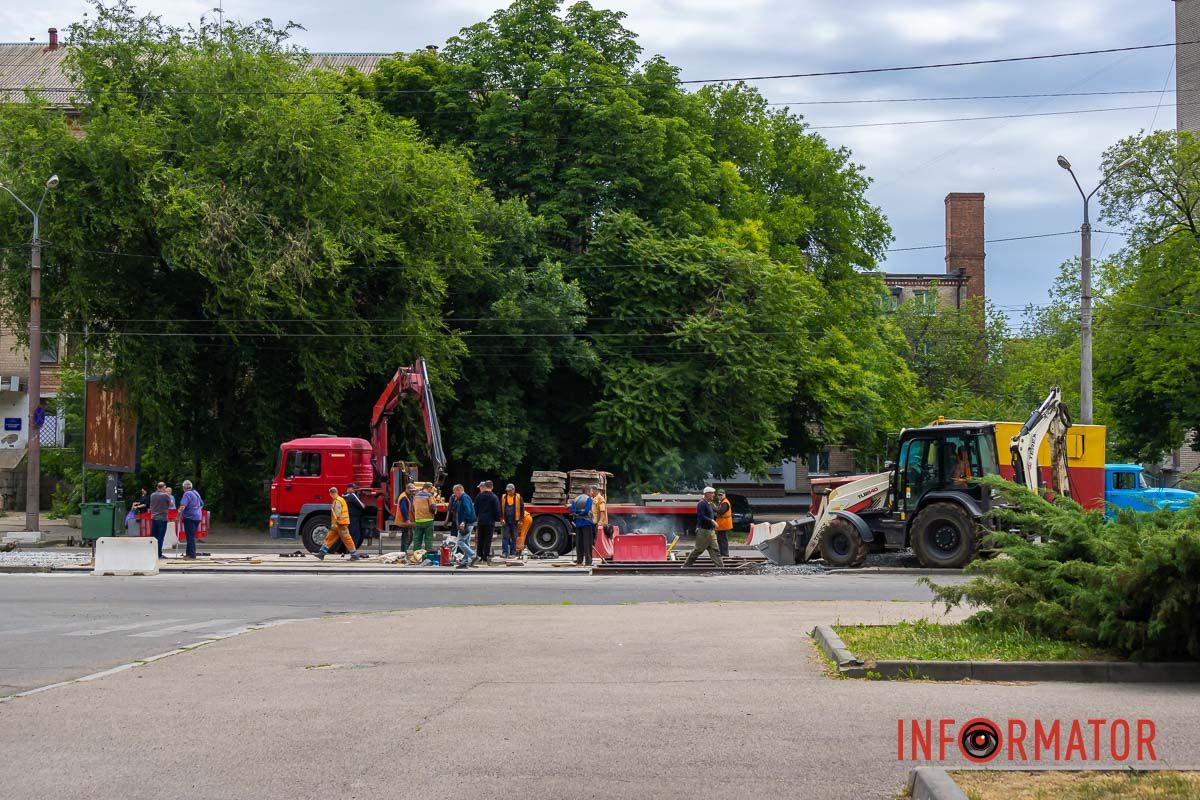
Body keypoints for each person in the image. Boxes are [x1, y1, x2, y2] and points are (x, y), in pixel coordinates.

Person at [315, 486, 366, 561]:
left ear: (332, 493)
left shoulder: (337, 501)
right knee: (330, 537)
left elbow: (337, 513)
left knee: (346, 539)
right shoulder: (339, 499)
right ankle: (322, 553)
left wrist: (335, 523)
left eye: (330, 494)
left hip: (340, 524)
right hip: (339, 524)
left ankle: (354, 554)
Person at [685, 487, 724, 568]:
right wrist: (712, 521)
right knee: (698, 550)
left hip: (710, 531)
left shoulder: (708, 503)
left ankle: (721, 568)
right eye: (712, 493)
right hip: (703, 531)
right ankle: (686, 566)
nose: (713, 495)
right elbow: (701, 516)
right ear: (706, 494)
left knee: (715, 550)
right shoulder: (702, 503)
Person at [450, 484, 478, 569]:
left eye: (455, 492)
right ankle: (465, 561)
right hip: (467, 523)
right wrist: (455, 500)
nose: (454, 494)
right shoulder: (460, 499)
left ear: (459, 490)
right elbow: (454, 510)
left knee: (460, 542)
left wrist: (463, 521)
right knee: (466, 542)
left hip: (466, 523)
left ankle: (473, 555)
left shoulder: (464, 498)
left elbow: (467, 510)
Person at [475, 480, 501, 563]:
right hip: (490, 521)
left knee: (480, 538)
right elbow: (497, 509)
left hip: (481, 520)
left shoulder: (479, 496)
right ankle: (486, 555)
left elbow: (475, 508)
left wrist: (477, 516)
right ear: (492, 487)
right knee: (488, 539)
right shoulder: (494, 497)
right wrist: (498, 518)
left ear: (485, 486)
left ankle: (479, 555)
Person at [177, 480, 204, 560]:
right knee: (191, 536)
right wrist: (196, 509)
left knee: (190, 536)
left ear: (184, 487)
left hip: (189, 517)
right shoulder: (196, 492)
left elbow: (183, 506)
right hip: (197, 517)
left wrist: (178, 514)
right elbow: (202, 504)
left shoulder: (187, 494)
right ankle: (189, 553)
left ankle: (191, 554)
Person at [571, 486, 597, 567]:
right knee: (587, 543)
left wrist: (577, 512)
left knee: (579, 543)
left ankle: (579, 561)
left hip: (578, 523)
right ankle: (588, 561)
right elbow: (587, 511)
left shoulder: (575, 499)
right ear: (588, 491)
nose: (591, 493)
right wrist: (581, 512)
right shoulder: (589, 499)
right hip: (587, 523)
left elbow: (572, 510)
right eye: (591, 491)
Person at [410, 483, 437, 553]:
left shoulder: (415, 496)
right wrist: (435, 512)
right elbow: (432, 508)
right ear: (429, 488)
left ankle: (416, 555)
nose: (431, 490)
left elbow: (412, 508)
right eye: (431, 488)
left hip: (418, 520)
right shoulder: (429, 496)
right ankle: (428, 554)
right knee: (428, 539)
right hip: (428, 520)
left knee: (417, 539)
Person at [499, 483, 524, 558]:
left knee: (514, 537)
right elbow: (500, 509)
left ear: (513, 490)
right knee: (505, 537)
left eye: (510, 491)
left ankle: (512, 553)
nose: (508, 492)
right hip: (506, 520)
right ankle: (505, 552)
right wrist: (501, 518)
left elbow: (522, 509)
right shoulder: (503, 497)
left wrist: (521, 520)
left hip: (515, 521)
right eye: (507, 491)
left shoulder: (519, 498)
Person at [148, 482, 171, 559]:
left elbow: (151, 505)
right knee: (161, 537)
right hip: (162, 518)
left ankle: (153, 553)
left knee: (154, 537)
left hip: (154, 518)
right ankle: (159, 554)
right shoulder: (165, 495)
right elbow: (171, 504)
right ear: (163, 487)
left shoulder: (152, 495)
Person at [344, 482, 368, 549]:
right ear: (349, 488)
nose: (355, 490)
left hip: (346, 517)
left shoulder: (343, 495)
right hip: (354, 518)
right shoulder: (352, 495)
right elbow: (362, 506)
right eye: (354, 489)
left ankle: (347, 549)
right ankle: (353, 550)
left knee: (348, 534)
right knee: (356, 535)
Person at [713, 489, 734, 558]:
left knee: (723, 540)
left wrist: (713, 508)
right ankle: (723, 554)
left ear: (724, 495)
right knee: (720, 539)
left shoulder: (725, 502)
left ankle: (725, 554)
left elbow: (721, 511)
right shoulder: (722, 502)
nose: (720, 496)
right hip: (722, 524)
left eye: (721, 495)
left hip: (724, 524)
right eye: (718, 495)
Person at [396, 484, 415, 553]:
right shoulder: (404, 497)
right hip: (404, 520)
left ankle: (404, 550)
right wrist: (407, 520)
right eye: (411, 491)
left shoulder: (408, 496)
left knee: (408, 536)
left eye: (413, 491)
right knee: (406, 536)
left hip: (406, 520)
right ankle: (403, 551)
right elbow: (404, 509)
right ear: (406, 489)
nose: (412, 492)